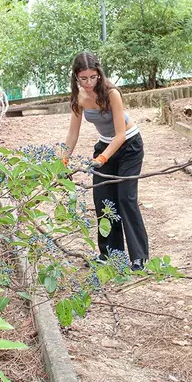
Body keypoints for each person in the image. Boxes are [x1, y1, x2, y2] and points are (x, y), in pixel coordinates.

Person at [62, 52, 148, 271]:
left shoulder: (112, 93)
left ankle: (138, 257)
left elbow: (120, 135)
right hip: (104, 147)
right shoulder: (79, 98)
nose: (89, 82)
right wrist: (62, 159)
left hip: (128, 146)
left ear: (99, 74)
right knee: (103, 201)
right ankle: (110, 253)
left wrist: (102, 158)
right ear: (76, 77)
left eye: (93, 77)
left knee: (125, 199)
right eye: (84, 78)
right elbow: (73, 134)